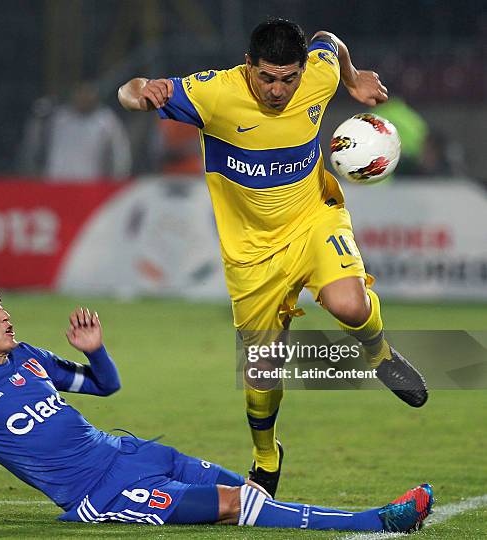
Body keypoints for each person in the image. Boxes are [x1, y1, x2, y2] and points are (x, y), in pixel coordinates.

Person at [118, 18, 428, 497]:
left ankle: (380, 355)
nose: (278, 90)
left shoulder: (319, 74)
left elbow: (329, 40)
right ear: (248, 68)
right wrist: (145, 89)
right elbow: (128, 91)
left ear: (304, 71)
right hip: (251, 255)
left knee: (350, 305)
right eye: (267, 77)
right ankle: (267, 456)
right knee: (263, 372)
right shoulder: (214, 94)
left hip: (313, 221)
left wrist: (350, 74)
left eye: (288, 78)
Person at [0, 278, 433, 532]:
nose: (5, 315)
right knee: (236, 503)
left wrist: (97, 353)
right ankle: (377, 521)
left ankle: (356, 521)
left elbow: (102, 387)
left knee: (249, 492)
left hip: (128, 453)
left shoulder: (29, 358)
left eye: (2, 306)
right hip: (102, 492)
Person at [18, 82, 132, 181]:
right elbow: (34, 143)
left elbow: (120, 151)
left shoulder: (106, 121)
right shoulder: (57, 117)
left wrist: (118, 178)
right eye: (80, 92)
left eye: (88, 93)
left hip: (90, 183)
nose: (84, 97)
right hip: (56, 181)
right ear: (73, 94)